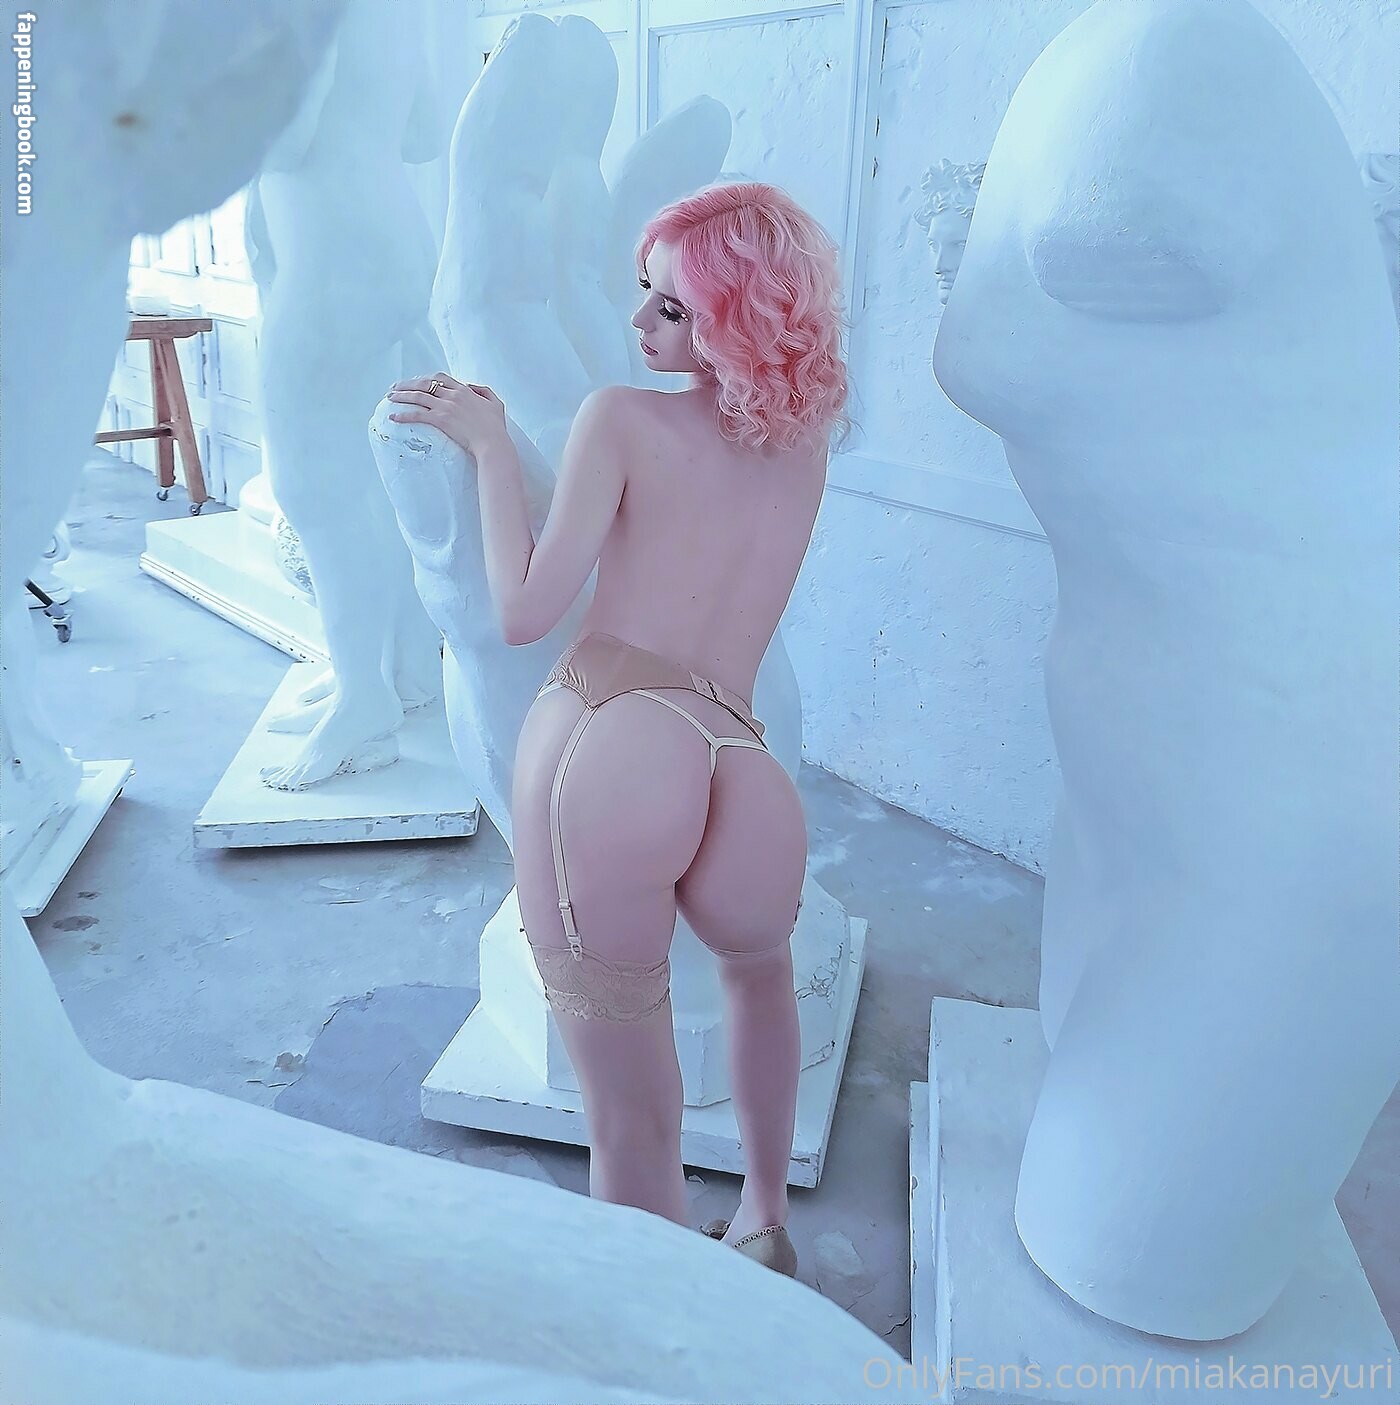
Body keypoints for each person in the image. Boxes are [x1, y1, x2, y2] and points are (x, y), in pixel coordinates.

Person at [387, 181, 851, 1277]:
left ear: (734, 318)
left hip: (613, 737)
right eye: (644, 292)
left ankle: (653, 1324)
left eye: (672, 307)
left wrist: (490, 447)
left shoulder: (622, 419)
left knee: (629, 1124)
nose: (638, 320)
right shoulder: (804, 452)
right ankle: (765, 1221)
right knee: (759, 980)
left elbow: (521, 610)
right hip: (742, 762)